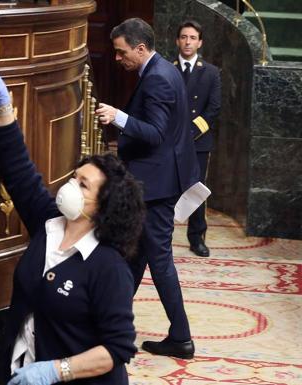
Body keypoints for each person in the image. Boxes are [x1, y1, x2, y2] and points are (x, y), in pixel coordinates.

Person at [0, 53, 146, 385]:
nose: (71, 185)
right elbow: (20, 173)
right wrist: (2, 106)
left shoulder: (108, 266)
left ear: (104, 205)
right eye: (75, 177)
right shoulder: (49, 222)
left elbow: (117, 348)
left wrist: (55, 371)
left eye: (83, 184)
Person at [95, 18, 200, 359]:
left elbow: (155, 133)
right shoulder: (161, 71)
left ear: (140, 49)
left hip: (156, 186)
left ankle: (181, 336)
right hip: (158, 180)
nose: (117, 58)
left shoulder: (157, 79)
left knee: (158, 259)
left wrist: (118, 117)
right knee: (136, 255)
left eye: (121, 52)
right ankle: (111, 324)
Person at [174, 20, 221, 257]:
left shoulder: (211, 72)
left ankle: (196, 238)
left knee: (196, 190)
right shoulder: (168, 69)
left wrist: (191, 132)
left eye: (192, 37)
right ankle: (161, 236)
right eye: (184, 37)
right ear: (177, 41)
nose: (188, 41)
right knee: (167, 188)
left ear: (200, 42)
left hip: (198, 141)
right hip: (171, 141)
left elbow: (213, 109)